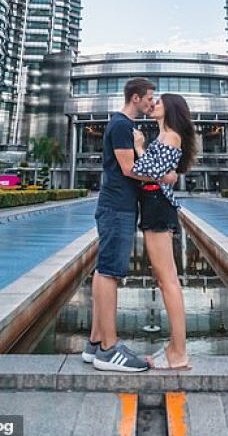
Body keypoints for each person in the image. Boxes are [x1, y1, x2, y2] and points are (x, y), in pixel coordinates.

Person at [83, 76, 157, 373]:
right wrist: (159, 175)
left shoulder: (121, 125)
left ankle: (95, 343)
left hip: (117, 206)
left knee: (105, 271)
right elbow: (130, 169)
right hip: (117, 207)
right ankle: (108, 350)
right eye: (150, 97)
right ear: (136, 97)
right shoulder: (122, 125)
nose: (152, 102)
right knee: (110, 273)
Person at [131, 92, 197, 371]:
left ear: (169, 108)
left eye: (158, 102)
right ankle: (173, 347)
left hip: (158, 204)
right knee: (163, 278)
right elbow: (162, 173)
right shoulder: (164, 136)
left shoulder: (170, 136)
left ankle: (179, 352)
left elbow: (150, 170)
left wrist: (138, 146)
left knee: (167, 280)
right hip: (154, 203)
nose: (153, 104)